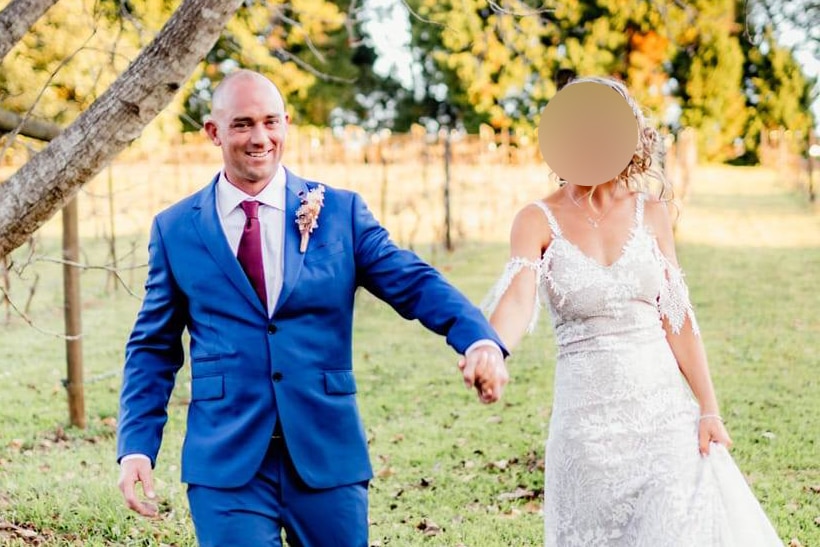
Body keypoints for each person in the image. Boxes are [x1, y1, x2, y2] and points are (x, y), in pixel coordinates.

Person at [116, 69, 509, 546]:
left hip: (327, 453)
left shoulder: (340, 212)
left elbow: (412, 281)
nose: (259, 137)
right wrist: (136, 447)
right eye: (242, 124)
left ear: (286, 123)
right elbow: (153, 348)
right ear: (214, 132)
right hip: (226, 464)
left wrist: (478, 338)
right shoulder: (175, 228)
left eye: (270, 122)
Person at [479, 76, 784, 546]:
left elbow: (677, 317)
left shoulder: (653, 212)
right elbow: (519, 296)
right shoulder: (536, 219)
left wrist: (708, 408)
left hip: (663, 420)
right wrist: (491, 348)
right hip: (585, 430)